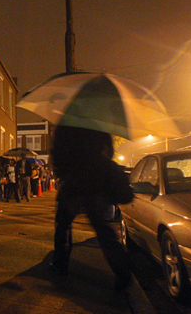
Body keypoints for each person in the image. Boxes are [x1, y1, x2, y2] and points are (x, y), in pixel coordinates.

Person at [49, 125, 134, 291]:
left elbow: (57, 153)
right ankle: (122, 271)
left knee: (63, 224)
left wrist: (62, 173)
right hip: (97, 182)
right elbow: (109, 152)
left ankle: (60, 264)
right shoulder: (99, 125)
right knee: (102, 228)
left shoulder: (66, 126)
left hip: (74, 182)